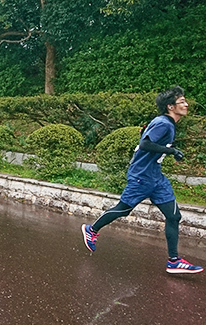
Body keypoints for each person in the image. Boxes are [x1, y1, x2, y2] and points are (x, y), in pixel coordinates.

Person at [82, 86, 203, 274]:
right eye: (182, 102)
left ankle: (174, 261)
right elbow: (145, 143)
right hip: (141, 177)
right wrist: (171, 150)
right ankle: (92, 229)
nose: (186, 104)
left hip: (156, 177)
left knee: (174, 216)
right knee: (123, 210)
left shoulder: (166, 123)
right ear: (170, 106)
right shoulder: (164, 123)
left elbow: (146, 135)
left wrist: (168, 149)